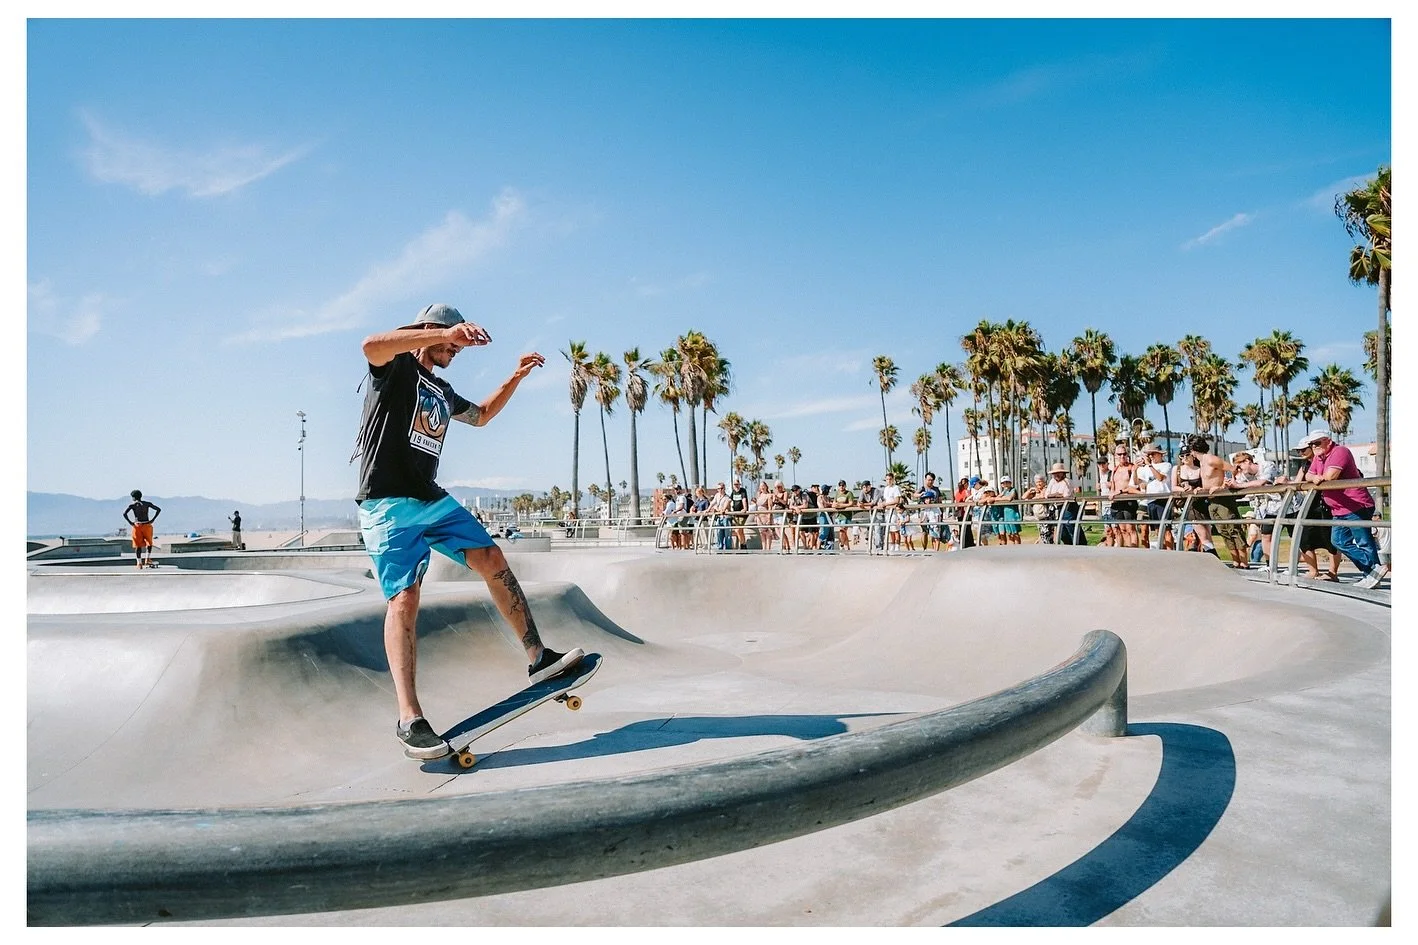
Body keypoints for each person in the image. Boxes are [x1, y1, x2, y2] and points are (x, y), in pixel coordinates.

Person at [352, 302, 581, 760]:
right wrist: (441, 332)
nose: (456, 351)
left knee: (493, 559)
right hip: (387, 504)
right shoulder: (394, 369)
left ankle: (539, 658)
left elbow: (481, 416)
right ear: (429, 333)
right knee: (406, 598)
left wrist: (515, 377)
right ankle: (409, 717)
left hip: (431, 499)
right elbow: (370, 345)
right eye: (450, 343)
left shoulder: (441, 388)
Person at [1299, 430, 1387, 588]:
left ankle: (1372, 574)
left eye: (1317, 443)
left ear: (1328, 441)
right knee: (1338, 541)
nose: (1314, 447)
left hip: (1356, 504)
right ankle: (1374, 570)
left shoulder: (1340, 451)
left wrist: (1319, 477)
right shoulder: (1319, 457)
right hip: (1338, 509)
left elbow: (1331, 475)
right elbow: (1308, 476)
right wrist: (1315, 477)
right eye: (1311, 444)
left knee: (1364, 541)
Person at [1189, 434, 1248, 566]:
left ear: (1193, 450)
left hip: (1223, 500)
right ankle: (1236, 561)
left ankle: (1244, 562)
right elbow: (1208, 480)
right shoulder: (1202, 462)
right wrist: (1200, 489)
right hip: (1211, 501)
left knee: (1233, 529)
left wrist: (1223, 485)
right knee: (1224, 531)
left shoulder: (1211, 459)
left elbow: (1233, 469)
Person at [1135, 444, 1173, 550]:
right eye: (1149, 454)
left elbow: (1160, 478)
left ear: (1160, 454)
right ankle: (1162, 552)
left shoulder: (1167, 465)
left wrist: (1150, 466)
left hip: (1163, 500)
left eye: (1153, 454)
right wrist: (1135, 469)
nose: (1151, 456)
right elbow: (1138, 482)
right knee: (1157, 530)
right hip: (1151, 501)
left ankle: (1171, 553)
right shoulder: (1146, 468)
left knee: (1166, 530)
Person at [1107, 446, 1141, 548]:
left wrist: (1120, 491)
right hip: (1117, 502)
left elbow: (1135, 486)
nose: (1122, 456)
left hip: (1128, 500)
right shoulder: (1115, 470)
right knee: (1122, 529)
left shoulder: (1131, 467)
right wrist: (1112, 495)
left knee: (1131, 528)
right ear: (1115, 456)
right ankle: (1127, 550)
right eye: (1119, 454)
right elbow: (1113, 486)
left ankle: (1134, 550)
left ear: (1127, 455)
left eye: (1124, 454)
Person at [124, 490, 162, 569]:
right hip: (147, 524)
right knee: (149, 543)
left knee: (138, 545)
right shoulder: (147, 504)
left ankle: (139, 563)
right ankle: (147, 559)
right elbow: (158, 509)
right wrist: (152, 519)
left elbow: (124, 514)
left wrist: (131, 523)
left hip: (137, 525)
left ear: (133, 497)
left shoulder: (133, 505)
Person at [996, 475, 1021, 546]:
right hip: (1006, 514)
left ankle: (1018, 547)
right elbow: (996, 498)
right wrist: (1003, 497)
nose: (1005, 484)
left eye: (1007, 482)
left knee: (1015, 532)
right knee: (1009, 533)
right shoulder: (1004, 492)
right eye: (1003, 483)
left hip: (1012, 513)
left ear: (1010, 483)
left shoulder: (1013, 490)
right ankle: (1012, 547)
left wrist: (1002, 498)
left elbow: (1010, 498)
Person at [728, 478, 751, 550]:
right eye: (735, 484)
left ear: (739, 484)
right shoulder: (733, 492)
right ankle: (743, 545)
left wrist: (745, 508)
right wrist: (725, 508)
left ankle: (742, 544)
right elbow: (729, 500)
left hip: (742, 514)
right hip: (735, 513)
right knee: (740, 530)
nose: (736, 486)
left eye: (737, 484)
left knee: (738, 530)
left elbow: (744, 499)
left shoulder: (742, 491)